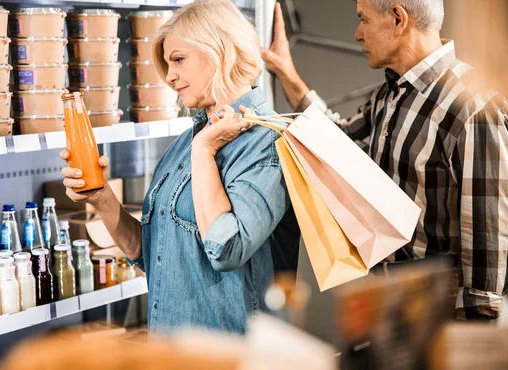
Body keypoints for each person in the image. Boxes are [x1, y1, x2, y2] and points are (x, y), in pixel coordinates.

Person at [61, 0, 299, 335]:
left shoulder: (267, 143)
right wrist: (101, 198)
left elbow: (226, 249)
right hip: (175, 362)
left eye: (179, 60)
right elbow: (150, 254)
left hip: (231, 369)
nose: (170, 76)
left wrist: (204, 150)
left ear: (219, 51)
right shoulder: (186, 143)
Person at [262, 0, 508, 321]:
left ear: (397, 19)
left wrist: (466, 358)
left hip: (438, 320)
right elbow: (339, 142)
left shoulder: (474, 108)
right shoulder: (389, 95)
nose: (357, 34)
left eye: (363, 19)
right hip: (388, 305)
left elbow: (487, 262)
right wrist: (287, 73)